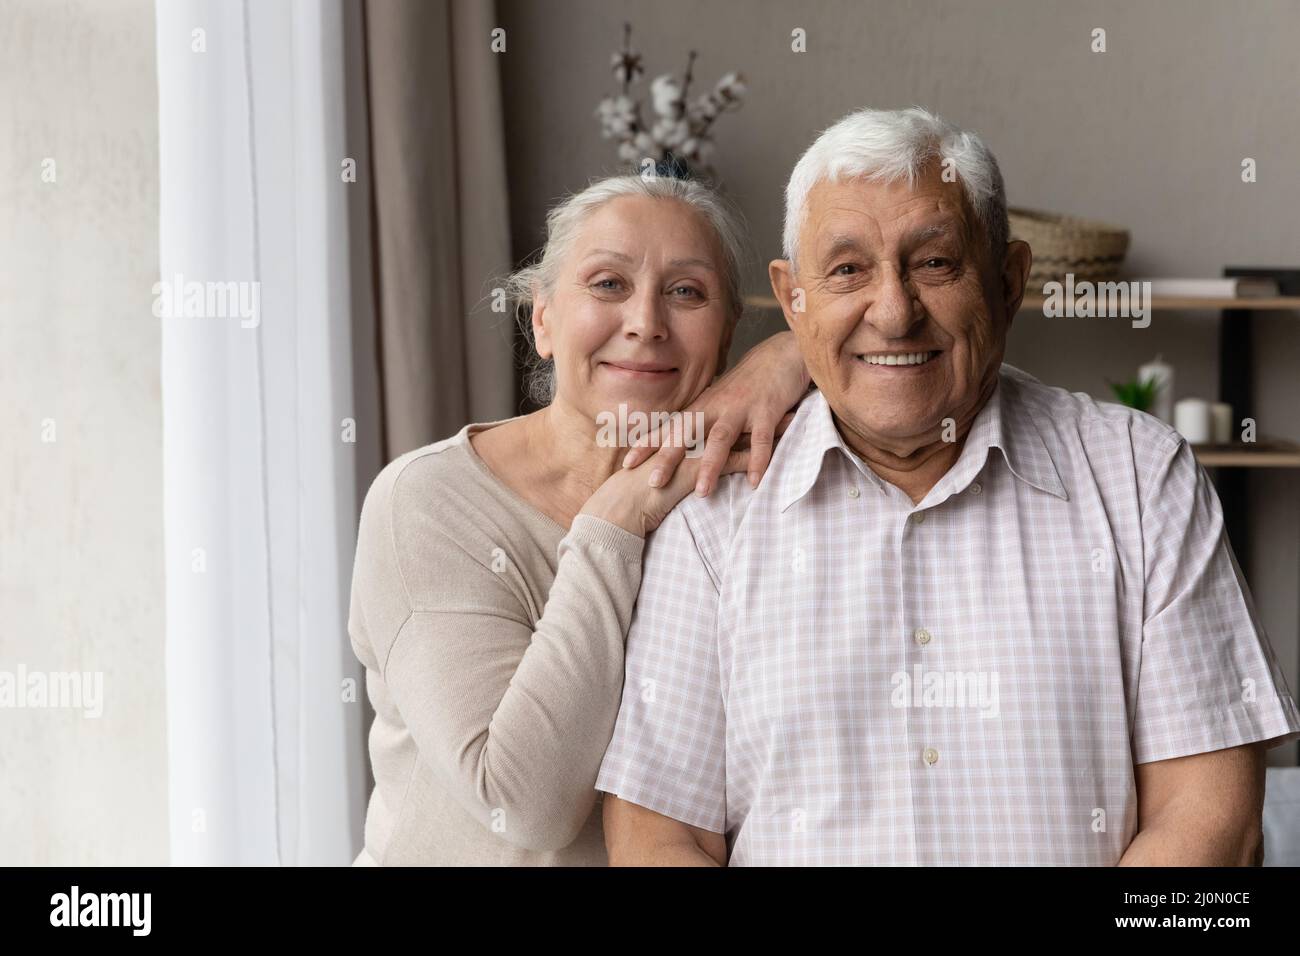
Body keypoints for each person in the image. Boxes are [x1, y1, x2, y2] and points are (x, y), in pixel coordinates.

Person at [597, 107, 1300, 866]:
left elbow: (1211, 822)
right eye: (847, 271)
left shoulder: (1139, 475)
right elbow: (657, 836)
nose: (895, 313)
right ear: (792, 298)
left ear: (1009, 281)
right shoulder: (713, 513)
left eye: (934, 264)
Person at [347, 173, 810, 865]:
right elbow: (523, 803)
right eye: (607, 285)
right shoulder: (427, 502)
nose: (646, 322)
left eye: (686, 292)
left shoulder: (738, 492)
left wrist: (793, 351)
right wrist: (612, 525)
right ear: (543, 321)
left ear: (726, 338)